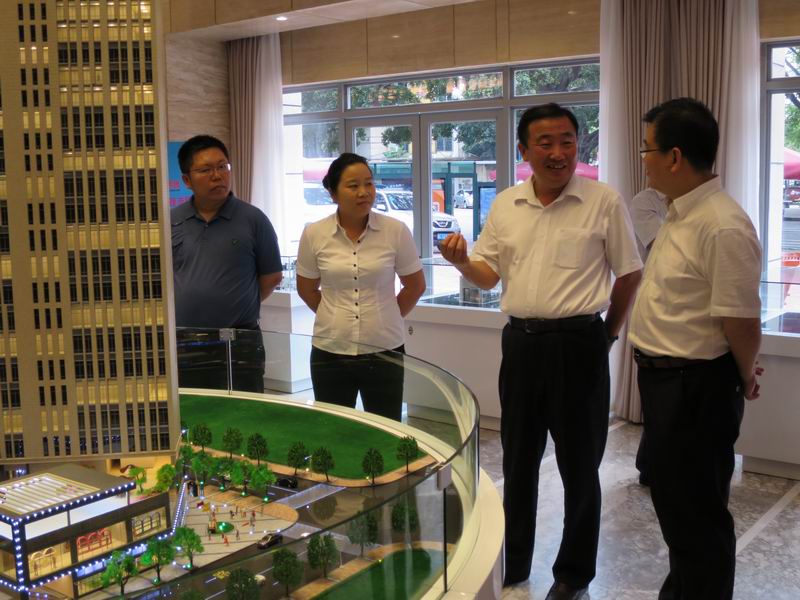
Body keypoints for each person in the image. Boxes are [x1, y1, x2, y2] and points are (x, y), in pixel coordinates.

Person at [440, 103, 642, 599]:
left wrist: (607, 335)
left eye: (567, 140)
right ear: (524, 150)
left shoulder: (603, 201)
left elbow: (629, 273)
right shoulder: (506, 204)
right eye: (546, 142)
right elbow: (488, 275)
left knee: (580, 467)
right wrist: (463, 261)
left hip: (580, 344)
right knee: (519, 460)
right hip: (522, 345)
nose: (558, 152)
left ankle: (573, 575)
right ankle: (515, 561)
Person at [630, 98, 763, 600]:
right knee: (677, 508)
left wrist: (744, 374)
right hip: (668, 382)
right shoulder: (679, 213)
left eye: (648, 148)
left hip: (695, 388)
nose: (643, 159)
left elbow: (741, 321)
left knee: (698, 515)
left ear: (674, 157)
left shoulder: (722, 225)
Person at [296, 153, 426, 421]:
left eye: (369, 183)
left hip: (385, 349)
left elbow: (415, 286)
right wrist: (334, 314)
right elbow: (306, 289)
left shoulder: (395, 231)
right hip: (330, 349)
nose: (364, 192)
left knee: (385, 428)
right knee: (333, 428)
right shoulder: (314, 233)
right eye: (353, 185)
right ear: (333, 193)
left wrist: (386, 315)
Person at [171, 135, 283, 394]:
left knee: (244, 411)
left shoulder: (253, 219)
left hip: (239, 340)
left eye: (223, 166)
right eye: (205, 170)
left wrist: (237, 303)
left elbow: (271, 277)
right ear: (187, 180)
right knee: (192, 411)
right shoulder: (171, 221)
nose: (217, 176)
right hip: (184, 341)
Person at [629, 187, 668, 486]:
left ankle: (654, 462)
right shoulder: (645, 201)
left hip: (682, 309)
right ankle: (650, 466)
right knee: (659, 396)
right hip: (657, 307)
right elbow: (662, 247)